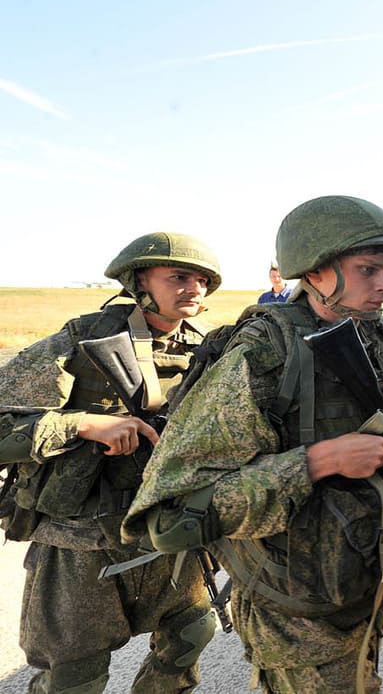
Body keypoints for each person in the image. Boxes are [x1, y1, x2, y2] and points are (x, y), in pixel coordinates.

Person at [124, 196, 383, 694]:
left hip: (360, 587)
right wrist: (317, 461)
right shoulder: (264, 353)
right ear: (318, 272)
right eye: (367, 269)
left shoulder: (380, 340)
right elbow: (172, 517)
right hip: (294, 613)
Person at [0, 232, 223, 694]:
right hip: (81, 540)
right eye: (178, 277)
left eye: (202, 280)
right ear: (139, 281)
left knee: (188, 641)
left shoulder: (205, 352)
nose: (194, 288)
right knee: (74, 675)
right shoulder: (83, 341)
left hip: (167, 530)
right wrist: (84, 425)